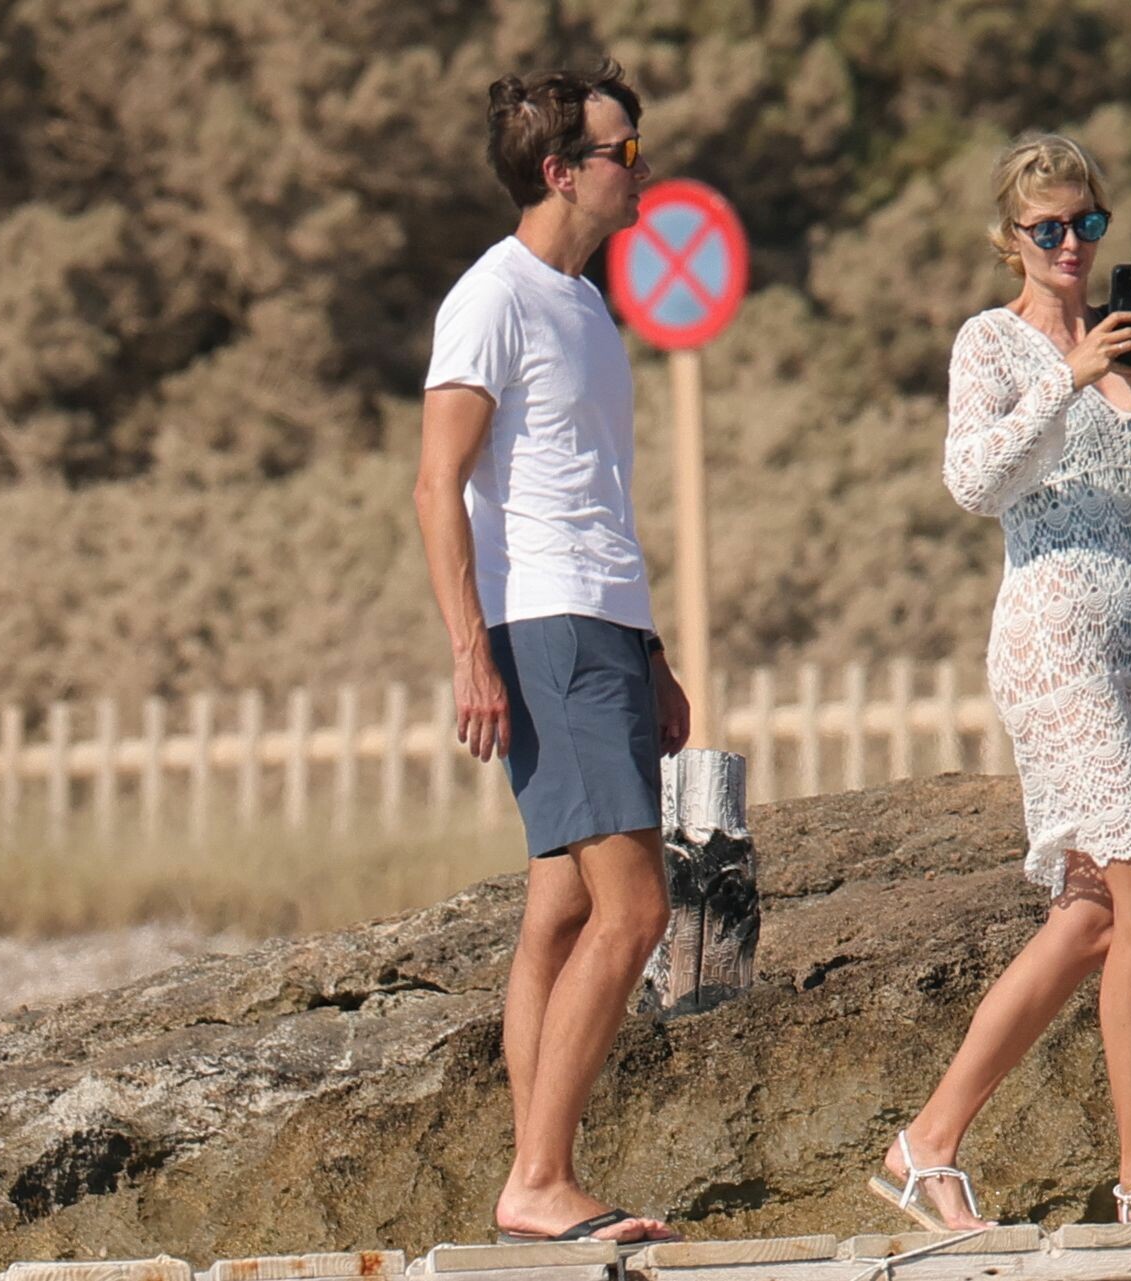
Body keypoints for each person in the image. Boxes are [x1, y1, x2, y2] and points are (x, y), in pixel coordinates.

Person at [871, 133, 1131, 1229]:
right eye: (1049, 229)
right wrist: (1070, 379)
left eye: (1088, 223)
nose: (1073, 245)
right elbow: (972, 479)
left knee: (1092, 915)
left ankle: (925, 1146)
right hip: (1054, 644)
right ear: (1012, 239)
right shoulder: (990, 344)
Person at [412, 61, 687, 1246]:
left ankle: (535, 1173)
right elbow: (435, 485)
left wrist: (652, 649)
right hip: (548, 629)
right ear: (561, 171)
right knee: (637, 910)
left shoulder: (582, 304)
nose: (644, 167)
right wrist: (470, 654)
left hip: (601, 623)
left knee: (562, 916)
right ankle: (538, 1179)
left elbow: (596, 496)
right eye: (625, 152)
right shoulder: (494, 298)